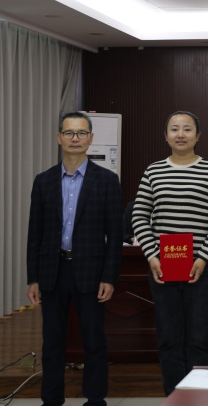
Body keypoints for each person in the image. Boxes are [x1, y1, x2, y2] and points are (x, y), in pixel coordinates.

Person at [26, 111, 123, 406]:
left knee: (94, 341)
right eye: (69, 133)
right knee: (52, 343)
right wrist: (33, 278)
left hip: (91, 273)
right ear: (59, 138)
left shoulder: (107, 181)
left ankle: (95, 400)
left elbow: (114, 235)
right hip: (52, 271)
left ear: (91, 139)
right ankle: (51, 400)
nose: (75, 138)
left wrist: (109, 277)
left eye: (81, 133)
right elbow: (35, 234)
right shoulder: (43, 181)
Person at [131, 111, 208, 394]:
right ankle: (175, 397)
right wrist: (152, 255)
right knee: (169, 338)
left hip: (203, 268)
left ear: (198, 136)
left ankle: (202, 398)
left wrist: (203, 256)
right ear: (166, 136)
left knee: (201, 339)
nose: (180, 134)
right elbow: (139, 215)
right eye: (174, 129)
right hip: (163, 267)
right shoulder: (153, 171)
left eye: (187, 129)